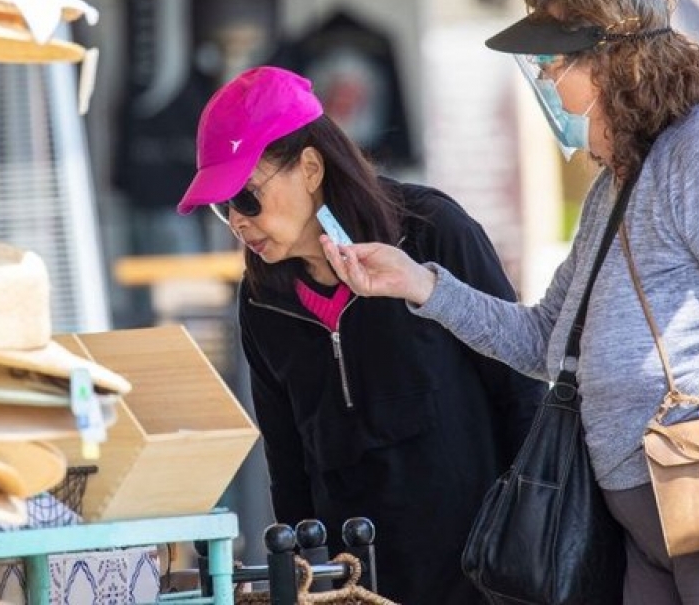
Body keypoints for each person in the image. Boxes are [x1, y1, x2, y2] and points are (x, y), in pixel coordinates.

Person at [318, 0, 699, 604]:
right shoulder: (617, 181)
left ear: (614, 65)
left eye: (551, 63)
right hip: (654, 510)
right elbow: (546, 340)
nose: (542, 81)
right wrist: (421, 286)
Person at [176, 65, 546, 605]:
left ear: (308, 167)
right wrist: (306, 582)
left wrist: (528, 544)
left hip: (484, 572)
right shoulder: (261, 301)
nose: (237, 220)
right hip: (359, 583)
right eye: (222, 205)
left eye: (247, 197)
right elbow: (287, 463)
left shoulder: (431, 232)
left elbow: (522, 390)